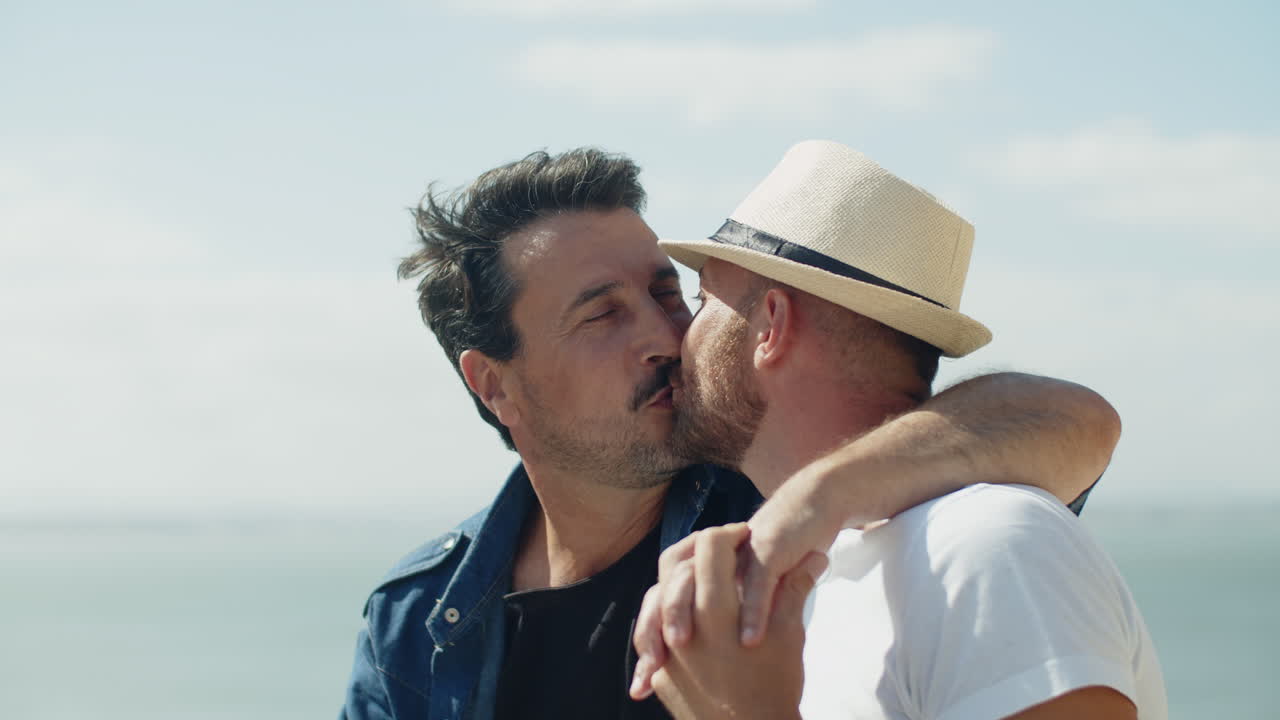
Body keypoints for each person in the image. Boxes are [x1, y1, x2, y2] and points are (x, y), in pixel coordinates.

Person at [338, 147, 1121, 720]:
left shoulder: (795, 504)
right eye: (603, 312)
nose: (665, 333)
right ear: (494, 383)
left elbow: (1073, 424)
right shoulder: (416, 621)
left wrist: (820, 494)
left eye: (669, 291)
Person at [629, 140, 1167, 719]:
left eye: (703, 299)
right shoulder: (818, 569)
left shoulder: (989, 547)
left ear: (772, 324)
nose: (677, 337)